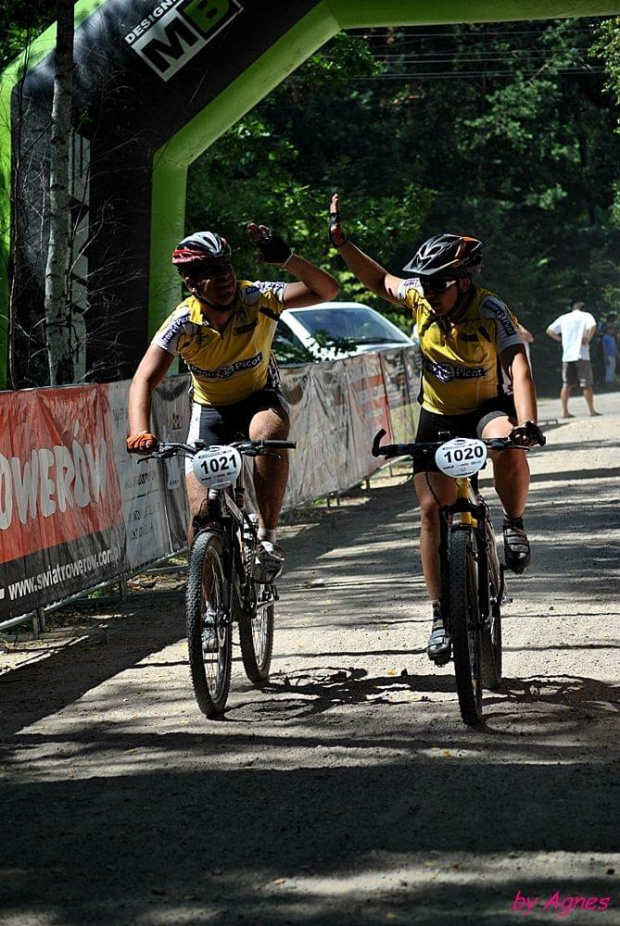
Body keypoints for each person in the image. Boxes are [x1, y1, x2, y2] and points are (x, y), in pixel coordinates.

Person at [328, 194, 544, 663]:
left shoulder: (491, 310)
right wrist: (344, 245)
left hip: (487, 408)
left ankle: (516, 525)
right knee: (431, 513)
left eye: (439, 285)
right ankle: (440, 616)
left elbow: (520, 367)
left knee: (507, 442)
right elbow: (379, 280)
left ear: (463, 281)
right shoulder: (421, 298)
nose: (428, 292)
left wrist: (527, 423)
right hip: (439, 417)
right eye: (424, 284)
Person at [127, 224, 339, 581]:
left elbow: (327, 290)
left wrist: (287, 259)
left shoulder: (256, 297)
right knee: (201, 517)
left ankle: (268, 537)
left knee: (266, 432)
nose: (225, 277)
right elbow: (143, 379)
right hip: (210, 412)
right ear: (192, 283)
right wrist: (139, 431)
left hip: (259, 399)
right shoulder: (182, 323)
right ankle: (210, 616)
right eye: (211, 271)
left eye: (227, 266)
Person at [545, 302, 601, 418]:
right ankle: (591, 410)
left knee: (566, 384)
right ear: (583, 309)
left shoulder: (564, 318)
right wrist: (588, 338)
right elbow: (593, 326)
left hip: (567, 354)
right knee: (586, 383)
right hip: (582, 353)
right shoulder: (586, 316)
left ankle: (565, 411)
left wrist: (560, 340)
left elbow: (549, 330)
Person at [601, 315, 618, 386]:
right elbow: (604, 347)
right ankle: (608, 382)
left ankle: (612, 381)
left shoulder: (613, 338)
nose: (612, 331)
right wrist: (605, 356)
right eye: (610, 330)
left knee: (613, 368)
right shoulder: (605, 337)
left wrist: (617, 354)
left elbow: (614, 347)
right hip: (608, 355)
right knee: (608, 369)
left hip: (613, 355)